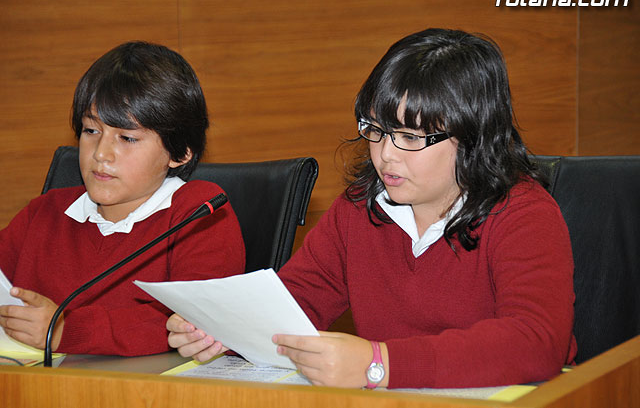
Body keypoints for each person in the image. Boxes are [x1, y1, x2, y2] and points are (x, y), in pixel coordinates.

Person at [166, 28, 577, 388]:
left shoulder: (523, 212)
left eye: (410, 137)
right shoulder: (360, 208)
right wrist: (225, 328)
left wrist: (379, 364)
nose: (385, 155)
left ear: (473, 137)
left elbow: (537, 341)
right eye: (376, 130)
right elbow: (295, 306)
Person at [0, 41, 245, 356]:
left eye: (127, 138)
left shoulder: (200, 213)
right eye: (91, 131)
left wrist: (65, 330)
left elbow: (195, 322)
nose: (101, 154)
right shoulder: (45, 212)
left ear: (180, 152)